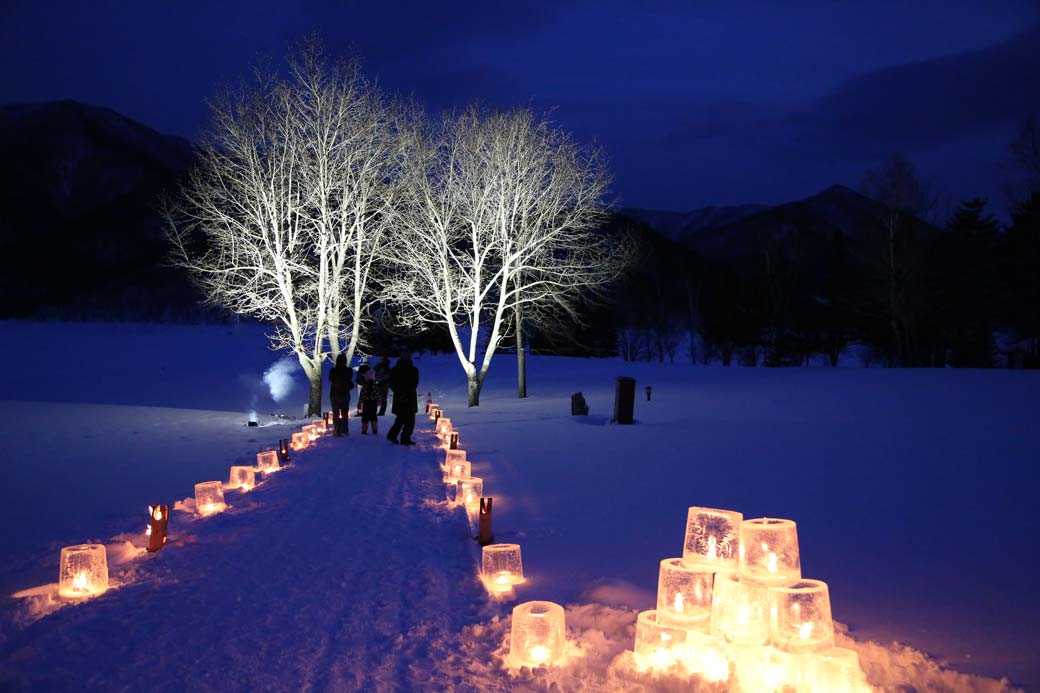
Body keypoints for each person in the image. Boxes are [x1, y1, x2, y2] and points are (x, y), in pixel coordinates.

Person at [386, 352, 419, 445]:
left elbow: (391, 383)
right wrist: (405, 393)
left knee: (401, 418)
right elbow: (414, 384)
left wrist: (399, 392)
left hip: (400, 397)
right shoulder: (413, 370)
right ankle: (404, 438)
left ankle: (393, 435)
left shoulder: (395, 370)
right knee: (409, 420)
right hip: (409, 397)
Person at [329, 353, 353, 436]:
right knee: (344, 413)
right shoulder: (349, 370)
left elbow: (330, 379)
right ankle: (344, 429)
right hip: (345, 394)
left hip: (334, 394)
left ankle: (336, 430)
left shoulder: (333, 370)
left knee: (335, 413)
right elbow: (350, 380)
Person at [358, 366, 380, 435]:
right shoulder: (375, 386)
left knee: (365, 417)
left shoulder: (364, 386)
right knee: (373, 416)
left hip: (366, 403)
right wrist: (379, 401)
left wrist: (360, 402)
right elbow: (378, 394)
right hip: (373, 403)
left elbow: (362, 395)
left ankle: (364, 430)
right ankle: (374, 429)